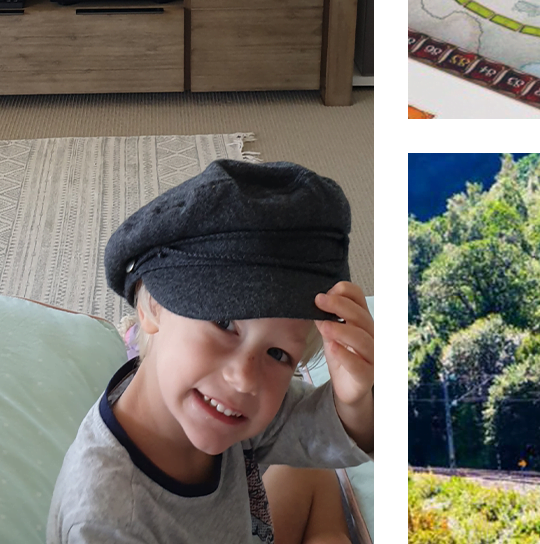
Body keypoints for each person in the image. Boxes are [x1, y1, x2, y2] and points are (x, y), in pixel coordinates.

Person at [47, 160, 374, 543]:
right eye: (223, 324)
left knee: (312, 470)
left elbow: (324, 435)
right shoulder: (109, 518)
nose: (244, 378)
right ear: (152, 305)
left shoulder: (225, 403)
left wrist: (355, 400)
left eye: (278, 354)